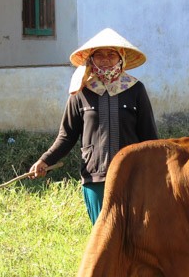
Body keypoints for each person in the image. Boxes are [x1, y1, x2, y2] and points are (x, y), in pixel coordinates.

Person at [30, 28, 158, 224]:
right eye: (99, 55)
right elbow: (67, 135)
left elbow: (149, 136)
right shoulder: (81, 92)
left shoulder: (136, 90)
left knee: (133, 234)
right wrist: (45, 160)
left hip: (132, 176)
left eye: (111, 54)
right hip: (95, 177)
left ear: (121, 58)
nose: (105, 59)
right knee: (102, 235)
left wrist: (158, 172)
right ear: (91, 60)